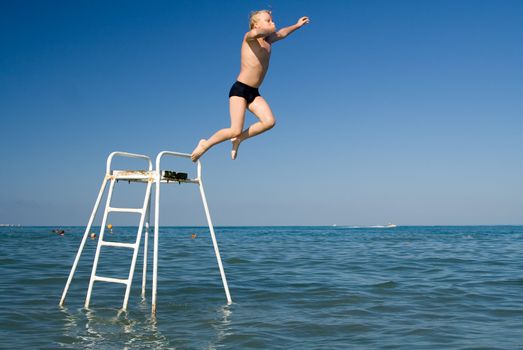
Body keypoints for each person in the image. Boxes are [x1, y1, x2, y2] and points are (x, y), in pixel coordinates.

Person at [191, 10, 310, 161]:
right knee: (235, 129)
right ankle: (205, 144)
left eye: (272, 20)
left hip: (254, 92)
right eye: (268, 21)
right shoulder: (249, 37)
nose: (272, 23)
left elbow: (282, 33)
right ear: (256, 25)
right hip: (240, 90)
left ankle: (239, 139)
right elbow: (255, 34)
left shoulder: (268, 40)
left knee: (269, 122)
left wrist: (297, 25)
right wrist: (268, 29)